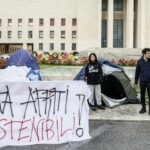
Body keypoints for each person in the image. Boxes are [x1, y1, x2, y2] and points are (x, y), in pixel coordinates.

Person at [134, 48, 150, 114]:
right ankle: (143, 108)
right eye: (148, 53)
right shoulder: (139, 61)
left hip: (149, 81)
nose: (149, 54)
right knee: (142, 95)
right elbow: (137, 72)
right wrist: (136, 81)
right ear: (144, 54)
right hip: (142, 81)